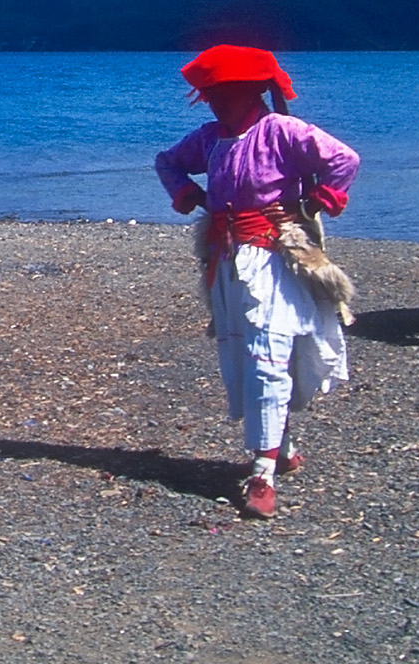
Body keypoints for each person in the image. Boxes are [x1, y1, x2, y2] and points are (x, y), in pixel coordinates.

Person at [153, 44, 359, 519]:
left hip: (273, 257)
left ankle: (262, 474)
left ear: (250, 92)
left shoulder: (283, 132)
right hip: (227, 258)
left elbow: (344, 160)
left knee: (269, 355)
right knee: (247, 352)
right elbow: (167, 162)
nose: (216, 103)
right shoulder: (209, 139)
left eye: (225, 94)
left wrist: (312, 205)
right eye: (212, 96)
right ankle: (280, 446)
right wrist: (192, 196)